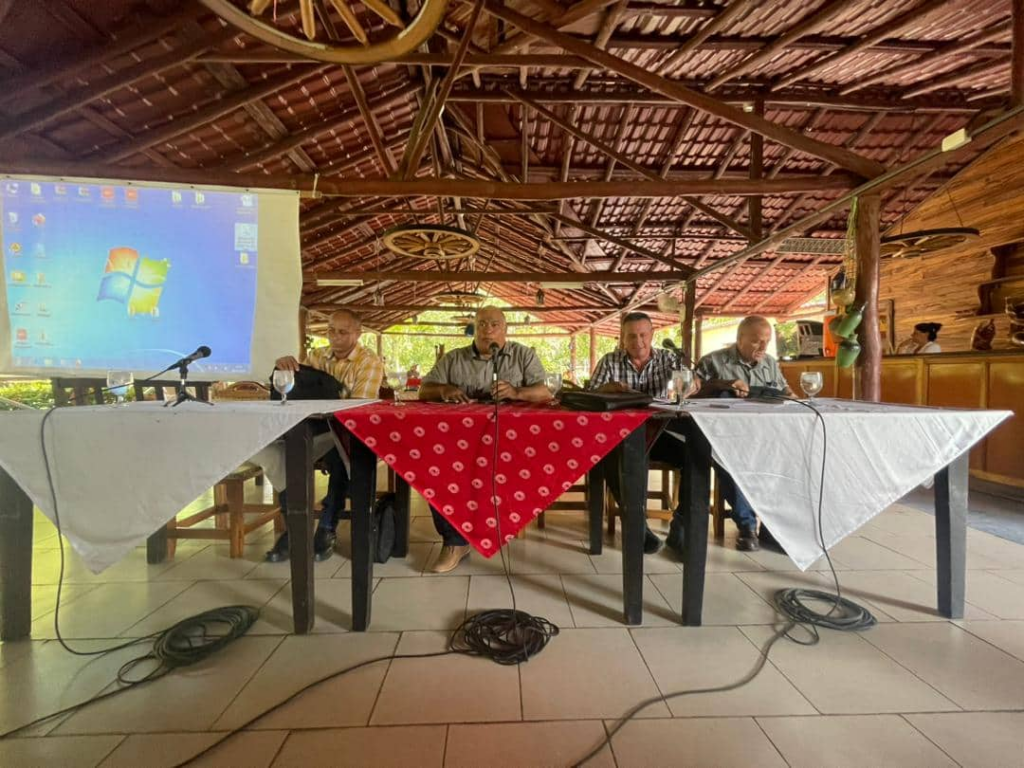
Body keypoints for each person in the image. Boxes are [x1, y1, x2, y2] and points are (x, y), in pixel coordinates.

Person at [419, 306, 549, 572]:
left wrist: (516, 392)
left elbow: (544, 392)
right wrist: (444, 389)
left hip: (512, 444)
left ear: (505, 329)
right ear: (474, 328)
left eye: (494, 324)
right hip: (459, 443)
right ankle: (454, 541)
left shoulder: (524, 355)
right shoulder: (454, 358)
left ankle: (500, 526)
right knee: (432, 466)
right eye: (481, 324)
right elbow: (424, 390)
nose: (487, 329)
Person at [260, 309, 385, 563]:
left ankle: (327, 527)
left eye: (343, 332)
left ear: (358, 334)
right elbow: (298, 393)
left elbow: (356, 411)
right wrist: (287, 368)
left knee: (341, 451)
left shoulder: (369, 362)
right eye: (331, 330)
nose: (335, 337)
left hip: (350, 431)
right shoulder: (316, 356)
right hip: (312, 431)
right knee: (279, 452)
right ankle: (295, 529)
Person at [589, 311, 700, 557]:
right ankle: (637, 527)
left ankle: (681, 526)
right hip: (620, 434)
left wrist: (691, 385)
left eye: (642, 335)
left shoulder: (669, 360)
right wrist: (606, 389)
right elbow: (590, 397)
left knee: (696, 456)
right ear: (622, 337)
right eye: (631, 336)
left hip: (660, 431)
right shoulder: (610, 361)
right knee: (612, 459)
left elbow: (689, 384)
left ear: (652, 335)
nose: (637, 342)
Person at [694, 315, 792, 552]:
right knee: (726, 462)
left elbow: (785, 390)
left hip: (766, 437)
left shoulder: (769, 362)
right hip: (727, 438)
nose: (763, 347)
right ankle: (747, 526)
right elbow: (692, 393)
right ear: (740, 339)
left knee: (788, 461)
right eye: (757, 341)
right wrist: (725, 384)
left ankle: (771, 528)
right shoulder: (713, 361)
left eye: (767, 341)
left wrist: (792, 395)